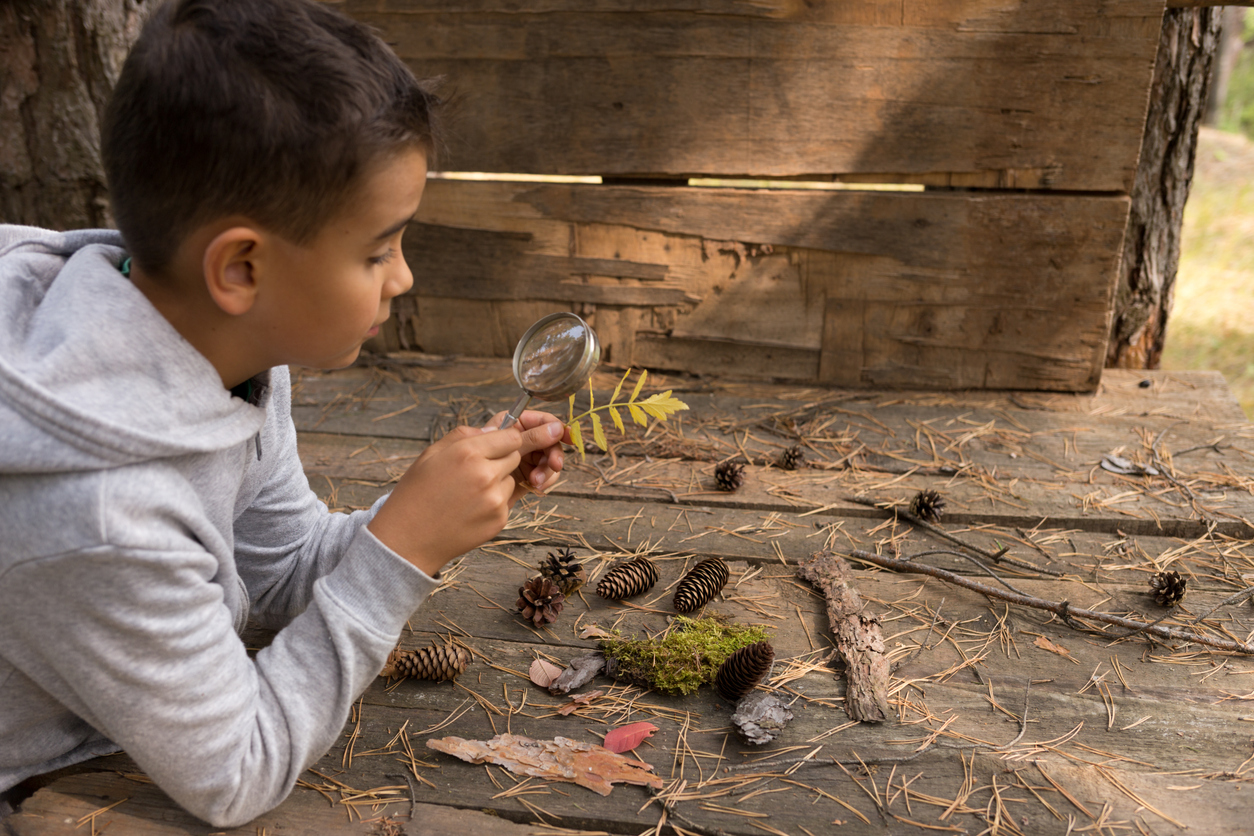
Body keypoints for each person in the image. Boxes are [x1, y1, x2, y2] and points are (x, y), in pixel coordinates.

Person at [0, 0, 569, 827]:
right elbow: (237, 773)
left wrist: (422, 517)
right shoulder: (104, 514)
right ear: (241, 269)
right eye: (377, 250)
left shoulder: (226, 362)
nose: (403, 277)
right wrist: (402, 553)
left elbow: (278, 568)